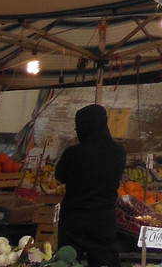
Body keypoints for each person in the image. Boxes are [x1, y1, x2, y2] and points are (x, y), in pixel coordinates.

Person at [54, 104, 127, 267]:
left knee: (68, 262)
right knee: (104, 262)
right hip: (103, 221)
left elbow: (60, 176)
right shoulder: (118, 152)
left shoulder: (73, 153)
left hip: (74, 221)